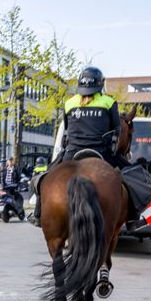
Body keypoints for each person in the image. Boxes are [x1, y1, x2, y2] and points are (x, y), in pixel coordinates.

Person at [28, 67, 124, 226]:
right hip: (101, 152)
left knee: (43, 179)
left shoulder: (69, 103)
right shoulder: (109, 102)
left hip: (72, 153)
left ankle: (38, 214)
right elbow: (116, 130)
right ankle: (132, 216)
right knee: (127, 179)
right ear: (100, 84)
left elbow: (66, 129)